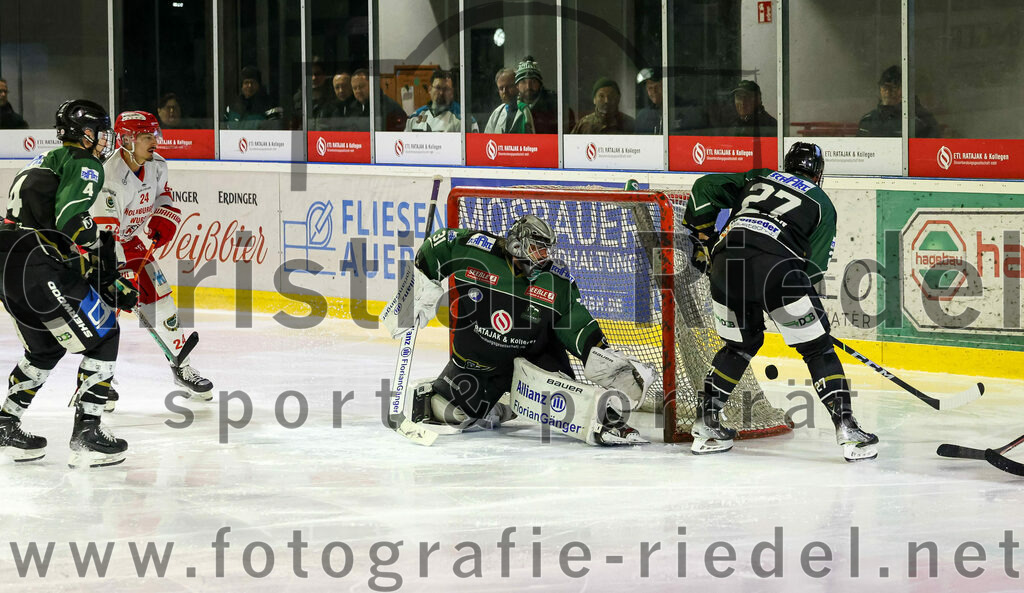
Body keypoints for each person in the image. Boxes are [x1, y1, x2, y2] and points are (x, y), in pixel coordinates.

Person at [379, 215, 655, 446]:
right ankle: (504, 406)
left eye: (547, 250)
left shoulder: (555, 282)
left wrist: (599, 351)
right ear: (516, 245)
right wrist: (414, 290)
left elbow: (575, 321)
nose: (544, 257)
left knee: (569, 404)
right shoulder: (473, 251)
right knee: (451, 413)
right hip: (479, 365)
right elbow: (437, 245)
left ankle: (606, 423)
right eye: (537, 249)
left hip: (534, 362)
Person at [682, 142, 878, 462]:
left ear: (787, 165)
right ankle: (848, 431)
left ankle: (707, 425)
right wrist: (795, 310)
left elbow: (704, 186)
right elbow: (812, 268)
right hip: (777, 269)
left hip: (724, 264)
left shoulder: (759, 176)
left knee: (739, 346)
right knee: (817, 349)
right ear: (818, 173)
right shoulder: (821, 203)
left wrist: (702, 236)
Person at [0, 99, 136, 467]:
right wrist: (101, 252)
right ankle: (88, 432)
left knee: (44, 349)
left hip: (8, 268)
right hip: (37, 268)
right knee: (105, 332)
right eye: (100, 133)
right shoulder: (83, 163)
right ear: (86, 133)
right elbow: (70, 220)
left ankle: (5, 422)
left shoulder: (43, 159)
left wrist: (83, 262)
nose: (103, 141)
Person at [91, 111, 213, 410]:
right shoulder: (109, 176)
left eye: (154, 135)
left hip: (131, 241)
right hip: (101, 248)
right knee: (107, 311)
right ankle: (99, 378)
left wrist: (164, 213)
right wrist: (121, 276)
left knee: (161, 302)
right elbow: (106, 236)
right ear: (128, 140)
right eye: (147, 137)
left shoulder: (157, 165)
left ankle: (181, 366)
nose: (154, 142)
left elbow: (163, 194)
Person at [857, 65, 940, 138]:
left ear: (905, 89)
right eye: (884, 87)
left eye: (894, 87)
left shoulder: (922, 121)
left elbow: (931, 151)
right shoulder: (867, 121)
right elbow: (860, 151)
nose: (888, 92)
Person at [404, 70, 476, 132]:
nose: (441, 93)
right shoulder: (415, 117)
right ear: (430, 89)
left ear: (452, 92)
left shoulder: (464, 120)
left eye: (446, 89)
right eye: (438, 88)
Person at [514, 56, 570, 134]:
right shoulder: (512, 107)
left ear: (540, 84)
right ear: (517, 86)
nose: (528, 86)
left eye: (533, 81)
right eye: (523, 82)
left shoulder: (555, 104)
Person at [225, 65, 282, 130]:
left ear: (259, 85)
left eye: (253, 82)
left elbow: (275, 135)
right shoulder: (232, 108)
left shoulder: (270, 107)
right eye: (246, 83)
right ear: (241, 86)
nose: (249, 86)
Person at [483, 68, 533, 134]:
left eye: (509, 87)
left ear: (518, 86)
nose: (504, 91)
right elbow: (487, 140)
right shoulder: (497, 113)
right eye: (501, 88)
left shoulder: (526, 109)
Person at [634, 67, 663, 134]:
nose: (654, 91)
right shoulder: (643, 116)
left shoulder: (682, 110)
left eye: (658, 87)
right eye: (650, 88)